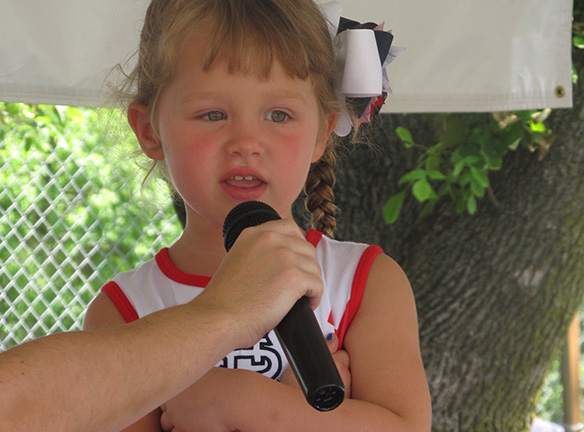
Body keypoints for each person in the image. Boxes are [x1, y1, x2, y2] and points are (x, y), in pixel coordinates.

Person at [84, 0, 432, 431]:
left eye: (278, 115)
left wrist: (246, 404)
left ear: (322, 132)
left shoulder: (367, 283)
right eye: (213, 113)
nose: (246, 142)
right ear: (149, 130)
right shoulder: (123, 313)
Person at [0, 227, 322, 432]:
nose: (247, 142)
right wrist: (256, 403)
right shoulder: (121, 302)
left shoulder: (363, 274)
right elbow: (11, 411)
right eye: (212, 115)